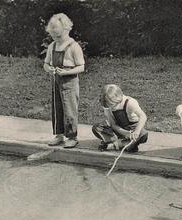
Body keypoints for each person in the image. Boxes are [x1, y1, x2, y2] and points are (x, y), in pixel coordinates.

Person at [43, 13, 85, 148]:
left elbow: (81, 67)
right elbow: (46, 63)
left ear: (67, 30)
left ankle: (72, 136)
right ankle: (59, 134)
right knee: (57, 108)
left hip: (70, 81)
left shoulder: (73, 46)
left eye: (59, 35)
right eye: (53, 36)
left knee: (69, 109)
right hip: (56, 80)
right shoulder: (52, 46)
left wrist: (67, 72)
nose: (56, 38)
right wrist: (49, 69)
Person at [92, 84, 148, 152]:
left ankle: (117, 144)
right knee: (97, 127)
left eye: (112, 105)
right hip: (119, 129)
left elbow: (143, 116)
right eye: (108, 106)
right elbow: (113, 125)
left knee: (143, 134)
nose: (111, 108)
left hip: (132, 128)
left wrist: (137, 131)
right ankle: (124, 143)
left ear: (118, 97)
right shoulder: (108, 107)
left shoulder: (130, 102)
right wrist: (125, 133)